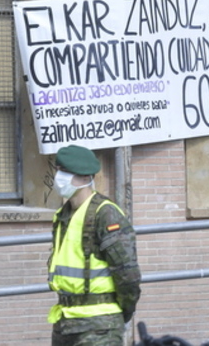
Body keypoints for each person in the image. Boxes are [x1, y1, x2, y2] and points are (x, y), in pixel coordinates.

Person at [47, 145, 141, 346]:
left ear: (84, 178)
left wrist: (123, 313)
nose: (59, 176)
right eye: (58, 170)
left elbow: (128, 274)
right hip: (65, 320)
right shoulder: (63, 215)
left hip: (99, 327)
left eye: (65, 172)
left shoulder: (105, 214)